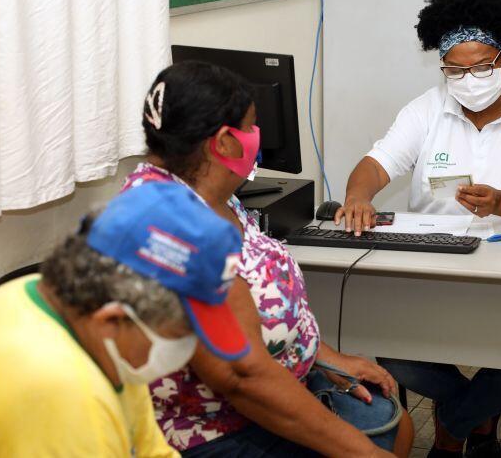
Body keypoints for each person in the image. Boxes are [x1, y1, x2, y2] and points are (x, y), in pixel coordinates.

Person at [336, 0, 501, 456]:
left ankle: (452, 427)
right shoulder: (427, 110)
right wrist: (359, 196)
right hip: (432, 267)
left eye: (481, 67)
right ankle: (476, 417)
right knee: (393, 349)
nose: (468, 80)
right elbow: (374, 165)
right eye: (454, 70)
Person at [124, 61, 413, 457]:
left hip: (279, 386)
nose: (258, 138)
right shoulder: (169, 231)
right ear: (224, 143)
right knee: (379, 441)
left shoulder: (214, 193)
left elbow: (264, 310)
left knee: (398, 425)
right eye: (252, 126)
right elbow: (243, 379)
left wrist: (322, 356)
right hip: (214, 429)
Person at [0, 181, 250, 458]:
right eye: (180, 335)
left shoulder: (93, 336)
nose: (188, 349)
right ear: (112, 321)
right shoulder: (62, 393)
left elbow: (151, 449)